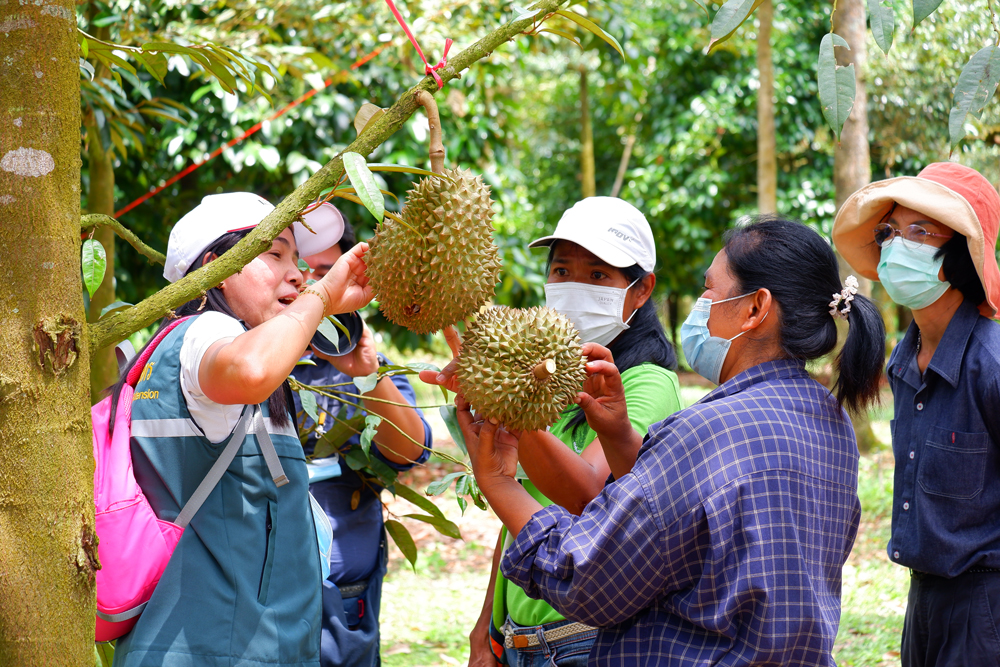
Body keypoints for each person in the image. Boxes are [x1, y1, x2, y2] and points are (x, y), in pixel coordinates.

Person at [460, 216, 886, 666]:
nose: (699, 307)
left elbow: (587, 580)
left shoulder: (707, 431)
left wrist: (499, 481)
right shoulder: (830, 422)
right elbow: (682, 532)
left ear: (755, 308)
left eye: (709, 291)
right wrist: (620, 435)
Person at [110, 192, 372, 667]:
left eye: (297, 259)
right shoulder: (204, 332)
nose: (297, 273)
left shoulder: (216, 352)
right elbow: (249, 369)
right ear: (217, 268)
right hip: (212, 651)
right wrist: (321, 296)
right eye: (275, 253)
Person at [425, 197, 683, 666]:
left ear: (641, 290)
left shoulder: (647, 382)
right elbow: (521, 513)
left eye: (598, 275)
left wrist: (503, 396)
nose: (573, 287)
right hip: (523, 638)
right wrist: (487, 625)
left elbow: (590, 495)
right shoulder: (553, 383)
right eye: (561, 271)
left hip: (587, 638)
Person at [832, 162, 1000, 667]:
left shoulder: (990, 364)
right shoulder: (903, 362)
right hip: (923, 601)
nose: (895, 245)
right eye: (888, 232)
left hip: (986, 607)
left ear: (959, 257)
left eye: (919, 232)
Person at [293, 213, 432, 667]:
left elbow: (410, 450)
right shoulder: (244, 360)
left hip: (347, 597)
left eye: (323, 274)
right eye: (298, 270)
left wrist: (369, 374)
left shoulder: (364, 362)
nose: (310, 286)